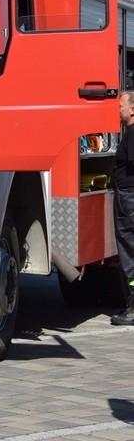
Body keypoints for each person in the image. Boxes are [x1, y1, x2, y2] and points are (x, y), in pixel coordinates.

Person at [110, 90, 134, 325]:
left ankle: (133, 307)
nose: (117, 110)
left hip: (129, 198)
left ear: (132, 109)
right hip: (129, 197)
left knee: (129, 252)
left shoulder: (133, 133)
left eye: (120, 106)